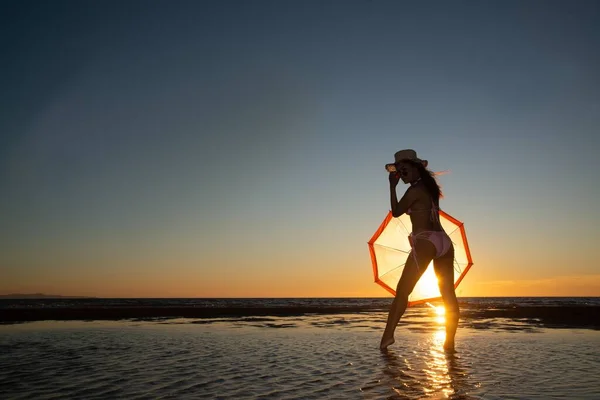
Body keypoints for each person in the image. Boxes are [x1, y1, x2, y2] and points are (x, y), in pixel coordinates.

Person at [380, 149, 459, 352]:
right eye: (399, 172)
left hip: (425, 241)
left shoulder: (414, 190)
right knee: (448, 293)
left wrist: (392, 186)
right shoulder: (429, 187)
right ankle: (449, 343)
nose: (402, 175)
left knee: (402, 291)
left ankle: (387, 337)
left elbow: (396, 212)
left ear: (416, 168)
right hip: (444, 242)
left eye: (405, 170)